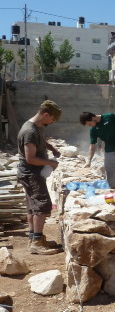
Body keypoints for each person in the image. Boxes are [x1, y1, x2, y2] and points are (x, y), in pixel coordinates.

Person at [16, 100, 63, 255]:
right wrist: (50, 162)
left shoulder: (38, 126)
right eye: (52, 119)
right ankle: (36, 242)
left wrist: (52, 148)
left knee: (32, 206)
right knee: (42, 205)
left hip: (32, 172)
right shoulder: (29, 131)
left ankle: (35, 237)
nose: (53, 122)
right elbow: (30, 158)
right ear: (45, 114)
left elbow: (41, 142)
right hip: (31, 173)